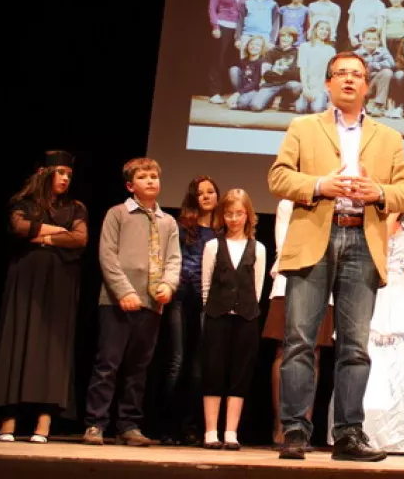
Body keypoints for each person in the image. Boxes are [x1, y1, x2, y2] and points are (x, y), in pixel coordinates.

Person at [268, 51, 404, 462]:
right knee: (299, 341)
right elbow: (278, 177)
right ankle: (295, 431)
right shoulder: (303, 126)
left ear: (367, 85)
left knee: (355, 346)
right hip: (316, 236)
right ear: (329, 84)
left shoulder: (389, 136)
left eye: (357, 74)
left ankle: (349, 435)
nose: (349, 80)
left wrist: (380, 193)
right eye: (341, 74)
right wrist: (320, 185)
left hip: (362, 242)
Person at [82, 158, 182, 446]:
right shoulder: (118, 214)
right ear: (130, 185)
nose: (151, 181)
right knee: (108, 364)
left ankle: (129, 424)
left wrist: (168, 284)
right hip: (117, 302)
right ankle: (95, 423)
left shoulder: (168, 221)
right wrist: (124, 291)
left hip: (151, 303)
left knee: (139, 368)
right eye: (143, 177)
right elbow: (108, 256)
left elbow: (173, 259)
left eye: (154, 176)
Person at [328, 212, 404, 453]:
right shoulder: (370, 222)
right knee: (367, 349)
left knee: (403, 356)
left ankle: (402, 433)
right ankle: (361, 429)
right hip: (373, 284)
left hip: (400, 290)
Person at [0, 151, 87, 443]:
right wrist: (55, 230)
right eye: (60, 173)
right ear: (43, 173)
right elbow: (18, 226)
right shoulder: (24, 204)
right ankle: (8, 422)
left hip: (60, 282)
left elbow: (80, 238)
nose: (65, 179)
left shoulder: (75, 208)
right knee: (17, 341)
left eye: (69, 175)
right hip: (26, 280)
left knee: (53, 349)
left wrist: (43, 238)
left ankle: (43, 424)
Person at [200, 189, 266, 450]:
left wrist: (245, 307)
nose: (234, 219)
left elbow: (257, 287)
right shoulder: (213, 246)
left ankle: (230, 431)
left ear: (248, 215)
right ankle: (210, 431)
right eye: (229, 214)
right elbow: (206, 285)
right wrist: (214, 309)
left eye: (239, 214)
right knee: (213, 371)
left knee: (240, 374)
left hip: (246, 318)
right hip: (217, 316)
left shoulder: (258, 248)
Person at [264, 199, 334, 445]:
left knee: (314, 354)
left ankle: (304, 424)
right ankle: (282, 423)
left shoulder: (335, 199)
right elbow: (285, 245)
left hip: (327, 285)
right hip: (291, 281)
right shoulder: (287, 203)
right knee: (286, 351)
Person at [156, 176, 220, 446]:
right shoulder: (183, 227)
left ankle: (192, 426)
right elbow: (174, 260)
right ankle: (168, 427)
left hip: (208, 303)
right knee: (177, 361)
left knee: (199, 367)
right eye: (200, 193)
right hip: (182, 297)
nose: (206, 196)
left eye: (211, 192)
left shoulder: (223, 231)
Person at [207, 0, 244, 104]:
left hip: (237, 29)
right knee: (218, 59)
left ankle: (233, 91)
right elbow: (212, 8)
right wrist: (215, 26)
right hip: (222, 26)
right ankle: (214, 92)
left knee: (233, 61)